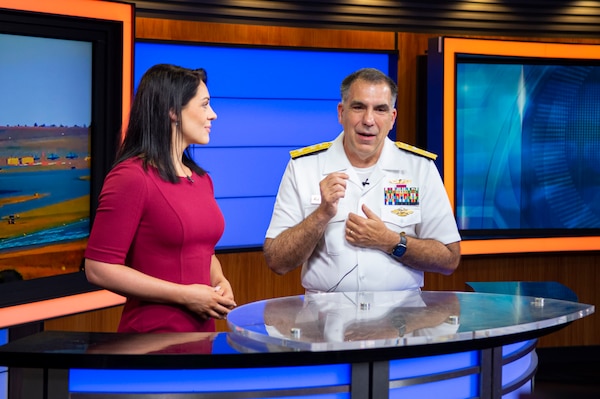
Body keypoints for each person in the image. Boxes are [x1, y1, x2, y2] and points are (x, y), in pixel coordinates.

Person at [263, 67, 461, 293]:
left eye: (380, 109)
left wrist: (390, 241)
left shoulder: (419, 168)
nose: (368, 120)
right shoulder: (304, 167)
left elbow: (449, 259)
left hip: (401, 320)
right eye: (358, 107)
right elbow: (276, 261)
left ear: (392, 118)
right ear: (341, 112)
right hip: (325, 322)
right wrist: (321, 215)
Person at [84, 64, 236, 333]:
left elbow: (203, 250)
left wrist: (219, 279)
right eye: (204, 105)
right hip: (152, 339)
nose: (212, 115)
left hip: (202, 335)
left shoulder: (201, 179)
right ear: (173, 111)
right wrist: (186, 295)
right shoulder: (131, 177)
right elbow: (99, 268)